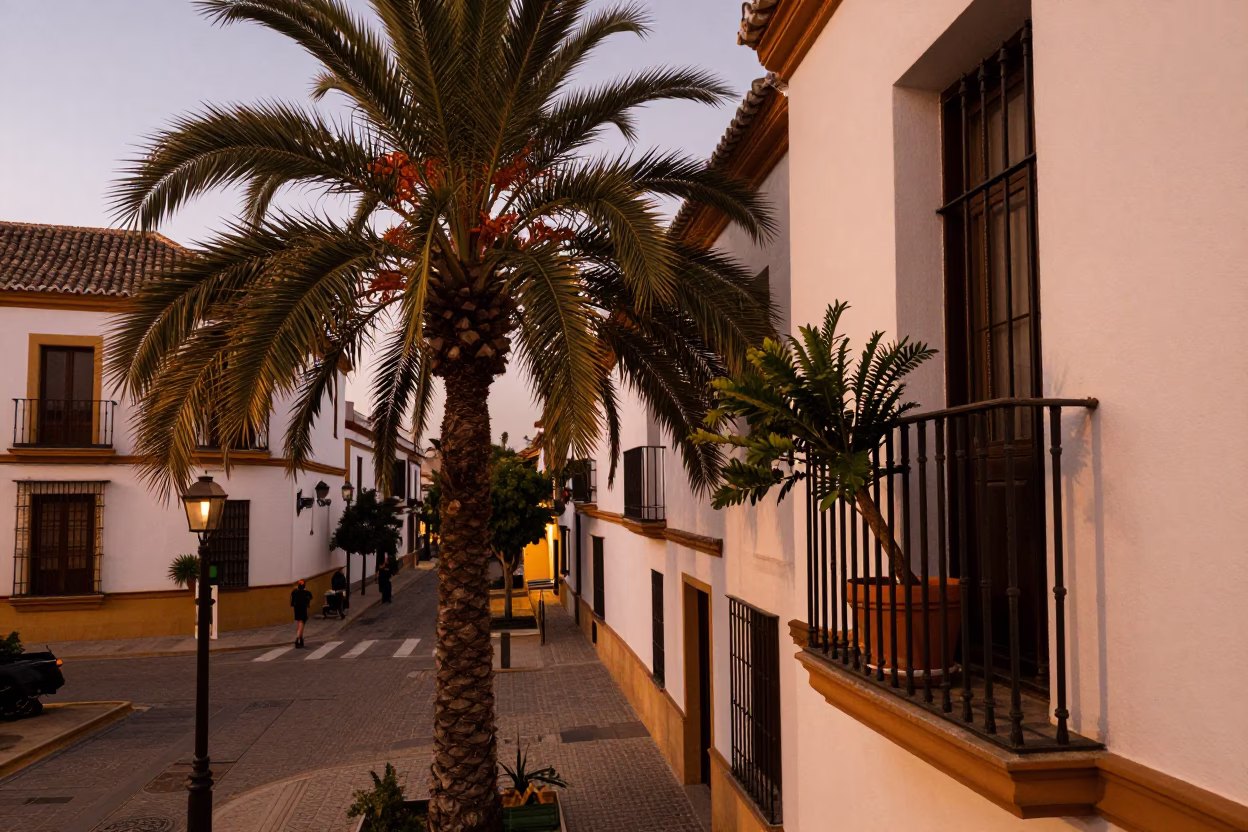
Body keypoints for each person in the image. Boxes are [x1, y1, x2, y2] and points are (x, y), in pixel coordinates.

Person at [291, 579, 313, 648]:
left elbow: (292, 603)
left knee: (299, 624)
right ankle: (297, 639)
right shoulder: (306, 592)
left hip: (296, 610)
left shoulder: (294, 593)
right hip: (303, 609)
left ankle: (301, 639)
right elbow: (311, 597)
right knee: (301, 624)